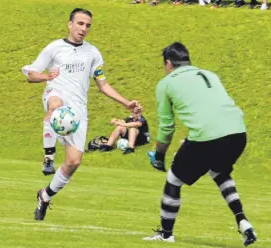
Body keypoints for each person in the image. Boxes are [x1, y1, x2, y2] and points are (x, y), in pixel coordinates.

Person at [21, 8, 141, 221]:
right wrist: (47, 76)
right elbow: (31, 75)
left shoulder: (93, 53)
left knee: (74, 162)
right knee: (55, 105)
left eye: (88, 25)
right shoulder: (54, 48)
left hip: (78, 111)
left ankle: (45, 195)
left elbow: (103, 85)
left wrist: (126, 103)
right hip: (55, 93)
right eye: (80, 23)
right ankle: (48, 156)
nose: (84, 28)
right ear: (70, 24)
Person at [142, 42, 257, 247]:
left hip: (208, 136)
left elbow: (167, 127)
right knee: (219, 171)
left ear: (168, 63)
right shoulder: (210, 74)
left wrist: (159, 156)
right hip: (238, 132)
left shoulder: (166, 83)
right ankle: (243, 222)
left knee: (173, 180)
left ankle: (166, 234)